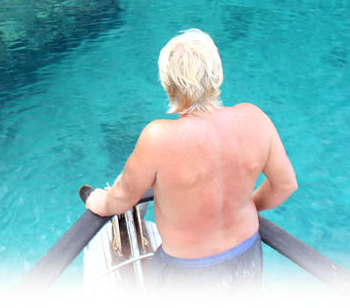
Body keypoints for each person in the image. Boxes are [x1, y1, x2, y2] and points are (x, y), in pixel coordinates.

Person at [85, 28, 297, 291]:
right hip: (246, 254)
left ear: (167, 84)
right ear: (217, 74)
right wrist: (245, 205)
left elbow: (122, 198)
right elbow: (285, 185)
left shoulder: (158, 138)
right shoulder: (255, 119)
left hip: (186, 272)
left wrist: (97, 201)